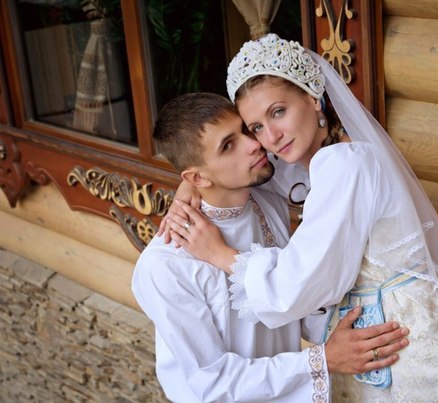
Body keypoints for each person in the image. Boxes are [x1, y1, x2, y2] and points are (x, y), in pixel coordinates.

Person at [164, 35, 438, 401]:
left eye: (278, 112)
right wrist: (192, 184)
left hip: (412, 342)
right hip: (381, 339)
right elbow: (241, 176)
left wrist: (221, 255)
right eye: (256, 127)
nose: (270, 137)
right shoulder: (311, 161)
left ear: (312, 97)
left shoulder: (344, 163)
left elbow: (295, 284)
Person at [132, 92, 409, 402]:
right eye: (228, 145)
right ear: (197, 176)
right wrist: (323, 360)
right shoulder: (166, 265)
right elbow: (209, 383)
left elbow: (287, 304)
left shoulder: (267, 201)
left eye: (246, 130)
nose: (254, 145)